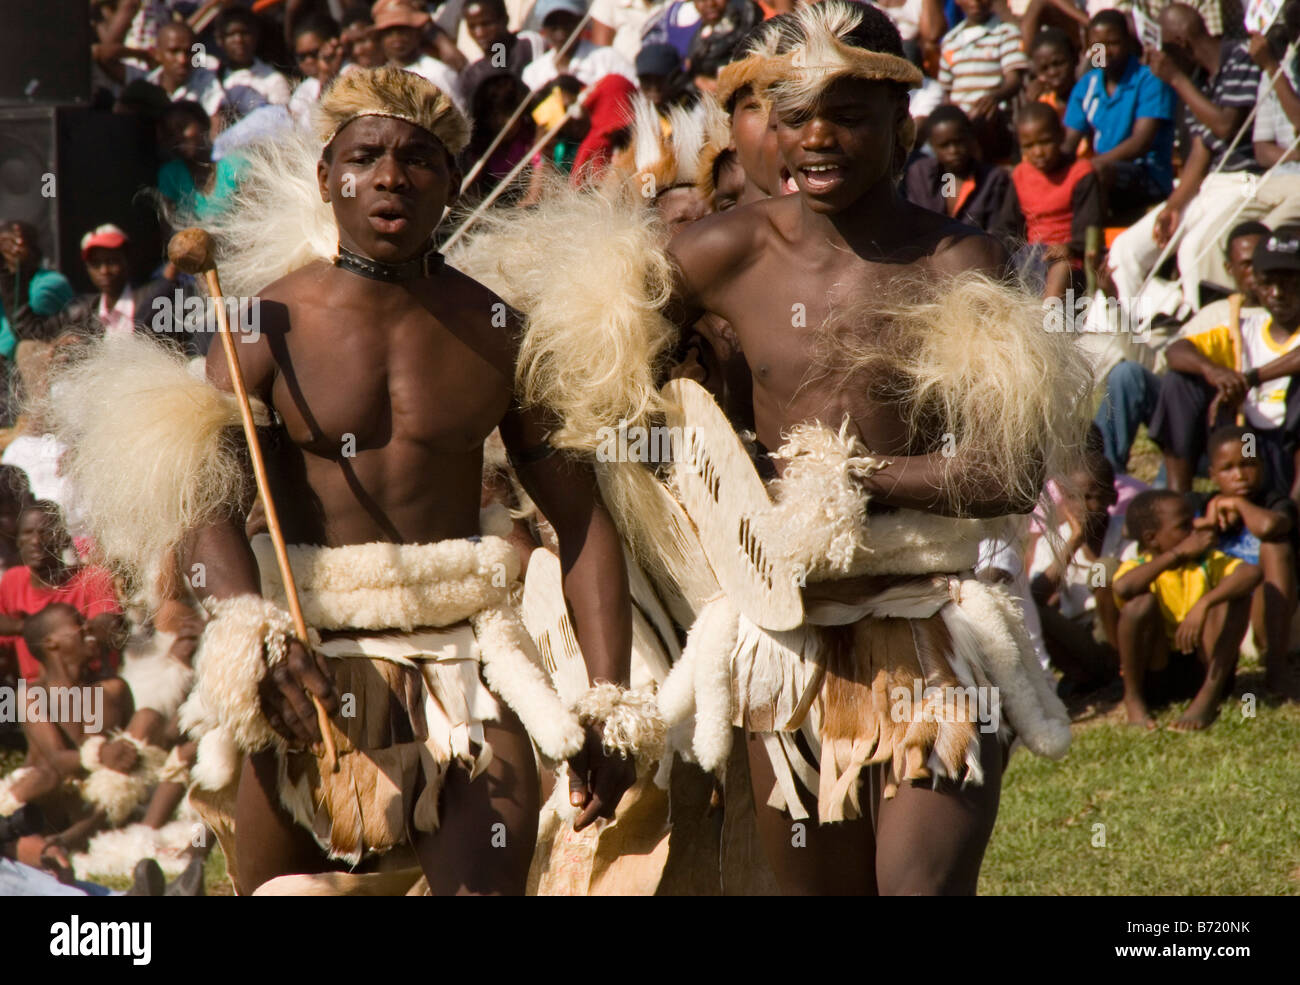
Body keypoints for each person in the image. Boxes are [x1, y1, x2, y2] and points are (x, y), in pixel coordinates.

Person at [39, 67, 647, 896]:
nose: (391, 176)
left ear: (454, 180)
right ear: (327, 178)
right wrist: (256, 635)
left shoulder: (500, 332)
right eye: (366, 156)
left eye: (418, 158)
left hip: (461, 660)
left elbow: (582, 521)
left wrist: (609, 703)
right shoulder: (261, 326)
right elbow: (206, 511)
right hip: (304, 665)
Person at [661, 1, 1088, 894]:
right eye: (795, 116)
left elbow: (1008, 468)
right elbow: (598, 375)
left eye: (848, 115)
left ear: (901, 120)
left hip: (932, 624)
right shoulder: (722, 251)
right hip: (788, 638)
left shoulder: (954, 261)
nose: (818, 138)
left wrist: (853, 480)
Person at [1107, 5, 1288, 319]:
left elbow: (1226, 126)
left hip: (1246, 181)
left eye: (1162, 48)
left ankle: (1197, 332)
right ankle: (1148, 331)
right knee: (1124, 251)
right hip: (1208, 186)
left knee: (1192, 251)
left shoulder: (1240, 57)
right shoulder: (1197, 78)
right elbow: (1201, 152)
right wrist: (1173, 207)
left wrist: (1176, 79)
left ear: (1181, 43)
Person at [1094, 221, 1271, 475]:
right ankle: (1102, 481)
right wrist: (1112, 302)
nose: (1256, 271)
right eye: (1246, 264)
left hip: (1250, 444)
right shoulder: (1216, 314)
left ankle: (1180, 498)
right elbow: (1155, 366)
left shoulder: (1286, 316)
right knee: (1137, 377)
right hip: (1198, 434)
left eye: (1261, 260)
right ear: (1229, 269)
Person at [1152, 227, 1300, 496]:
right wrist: (1214, 372)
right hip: (1248, 447)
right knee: (1180, 381)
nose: (1277, 293)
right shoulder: (1244, 327)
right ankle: (1179, 501)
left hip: (1289, 453)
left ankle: (1293, 514)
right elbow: (1176, 350)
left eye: (1290, 283)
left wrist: (1251, 378)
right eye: (1268, 283)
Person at [1114, 490, 1261, 730]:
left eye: (1194, 522)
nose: (1195, 532)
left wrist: (1204, 604)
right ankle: (1133, 697)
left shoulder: (1206, 561)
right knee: (1138, 605)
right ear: (1152, 539)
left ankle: (1207, 699)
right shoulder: (1139, 567)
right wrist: (1177, 554)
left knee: (1235, 595)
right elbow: (1123, 587)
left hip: (1203, 668)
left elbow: (1251, 573)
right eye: (1185, 527)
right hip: (1157, 672)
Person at [1190, 425, 1298, 694]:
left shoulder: (1275, 502)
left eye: (1248, 464)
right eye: (1228, 468)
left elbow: (1270, 528)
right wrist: (1208, 522)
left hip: (1269, 619)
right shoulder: (1197, 504)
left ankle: (1276, 665)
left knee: (1275, 548)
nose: (1239, 475)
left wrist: (1239, 505)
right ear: (1212, 474)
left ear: (1262, 466)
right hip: (1216, 619)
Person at [1028, 449, 1127, 696]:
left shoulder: (1127, 531)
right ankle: (1082, 675)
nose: (1082, 506)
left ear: (1112, 498)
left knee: (1105, 570)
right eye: (1073, 497)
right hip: (1082, 641)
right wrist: (1074, 542)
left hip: (1123, 634)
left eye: (1092, 497)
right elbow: (1035, 597)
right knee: (1026, 606)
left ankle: (1120, 670)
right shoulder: (1055, 539)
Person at [1063, 10, 1175, 223]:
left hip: (1146, 175)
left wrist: (1087, 167)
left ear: (1127, 42)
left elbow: (1139, 143)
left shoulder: (1149, 79)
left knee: (1095, 173)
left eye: (1112, 43)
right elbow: (1070, 142)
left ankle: (1088, 243)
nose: (1105, 52)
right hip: (1102, 173)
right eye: (1098, 45)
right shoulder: (1087, 85)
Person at [0, 503, 123, 684]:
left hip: (90, 684)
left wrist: (22, 627)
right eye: (28, 533)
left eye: (46, 532)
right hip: (34, 692)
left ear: (64, 539)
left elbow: (107, 629)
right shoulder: (12, 581)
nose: (36, 541)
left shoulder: (92, 577)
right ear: (18, 541)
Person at [995, 102, 1101, 298]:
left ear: (1061, 136)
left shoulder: (1080, 173)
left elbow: (1089, 229)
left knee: (1059, 271)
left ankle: (1047, 323)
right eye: (1029, 146)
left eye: (1044, 142)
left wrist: (1069, 247)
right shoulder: (1020, 175)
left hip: (1070, 259)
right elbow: (1007, 229)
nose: (1038, 152)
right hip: (1032, 257)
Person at [99, 21, 227, 140]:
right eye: (174, 51)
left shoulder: (204, 81)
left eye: (188, 52)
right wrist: (144, 55)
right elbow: (100, 54)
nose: (182, 59)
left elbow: (216, 121)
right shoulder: (144, 79)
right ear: (158, 53)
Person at [937, 0, 1030, 160]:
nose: (976, 3)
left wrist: (993, 97)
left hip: (993, 115)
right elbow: (946, 89)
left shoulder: (1006, 32)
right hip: (962, 116)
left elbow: (1014, 79)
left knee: (982, 122)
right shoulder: (950, 40)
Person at [903, 104, 1011, 232]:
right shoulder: (920, 174)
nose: (953, 150)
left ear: (970, 138)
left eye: (959, 142)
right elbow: (914, 222)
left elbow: (997, 231)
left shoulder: (994, 179)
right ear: (932, 146)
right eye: (944, 145)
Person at [370, 0, 466, 111]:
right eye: (389, 32)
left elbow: (459, 116)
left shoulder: (437, 73)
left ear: (417, 33)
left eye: (403, 31)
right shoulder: (377, 77)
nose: (397, 38)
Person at [521, 0, 638, 91]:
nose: (560, 32)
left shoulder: (609, 60)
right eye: (553, 23)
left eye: (567, 21)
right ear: (543, 29)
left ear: (581, 22)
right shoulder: (533, 74)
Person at [155, 102, 243, 223]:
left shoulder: (235, 164)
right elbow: (170, 229)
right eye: (170, 135)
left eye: (182, 127)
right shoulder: (170, 176)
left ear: (202, 122)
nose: (177, 138)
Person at [0, 221, 75, 364]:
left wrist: (14, 269)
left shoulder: (51, 283)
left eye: (9, 247)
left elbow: (27, 332)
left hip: (34, 369)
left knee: (27, 347)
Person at [459, 0, 545, 97]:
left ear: (505, 19)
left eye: (486, 24)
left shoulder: (528, 45)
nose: (479, 33)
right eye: (472, 27)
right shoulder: (472, 76)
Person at [216, 7, 292, 109]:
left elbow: (280, 118)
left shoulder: (273, 79)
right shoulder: (214, 78)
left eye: (244, 33)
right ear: (220, 40)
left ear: (256, 35)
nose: (238, 40)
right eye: (231, 34)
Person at [684, 0, 766, 96]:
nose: (711, 4)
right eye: (702, 0)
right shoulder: (697, 39)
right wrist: (698, 81)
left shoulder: (748, 17)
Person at [288, 14, 346, 127]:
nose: (308, 61)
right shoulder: (303, 89)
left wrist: (327, 75)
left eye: (314, 53)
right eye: (302, 56)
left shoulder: (350, 71)